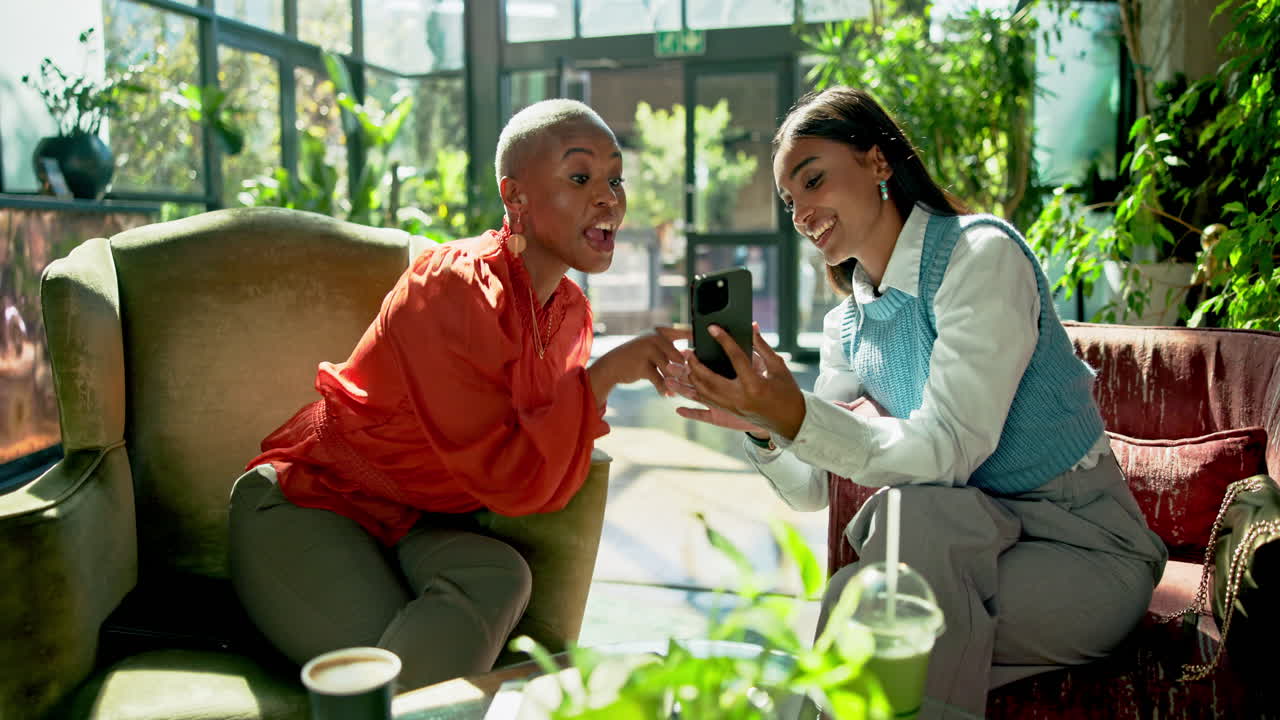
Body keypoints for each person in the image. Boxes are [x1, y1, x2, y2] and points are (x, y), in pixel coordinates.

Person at [665, 86, 1167, 717]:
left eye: (813, 180)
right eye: (790, 200)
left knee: (879, 595)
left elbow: (950, 446)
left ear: (879, 162)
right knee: (903, 544)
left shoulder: (980, 256)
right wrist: (765, 428)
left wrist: (793, 413)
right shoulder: (849, 323)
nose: (800, 213)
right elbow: (814, 486)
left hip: (1083, 550)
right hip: (966, 540)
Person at [228, 99, 688, 690]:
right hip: (307, 504)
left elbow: (545, 475)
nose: (609, 198)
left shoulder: (571, 314)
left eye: (615, 177)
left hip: (409, 523)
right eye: (580, 177)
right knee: (404, 681)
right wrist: (599, 380)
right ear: (515, 196)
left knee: (503, 575)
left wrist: (599, 381)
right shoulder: (455, 285)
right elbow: (506, 475)